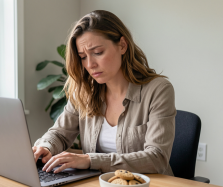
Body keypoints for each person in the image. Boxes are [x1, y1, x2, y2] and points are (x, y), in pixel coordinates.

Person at [32, 10, 176, 176]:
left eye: (98, 52)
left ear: (122, 45)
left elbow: (157, 158)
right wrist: (46, 146)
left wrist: (91, 160)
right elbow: (59, 134)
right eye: (83, 57)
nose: (90, 64)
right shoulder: (84, 91)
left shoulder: (158, 90)